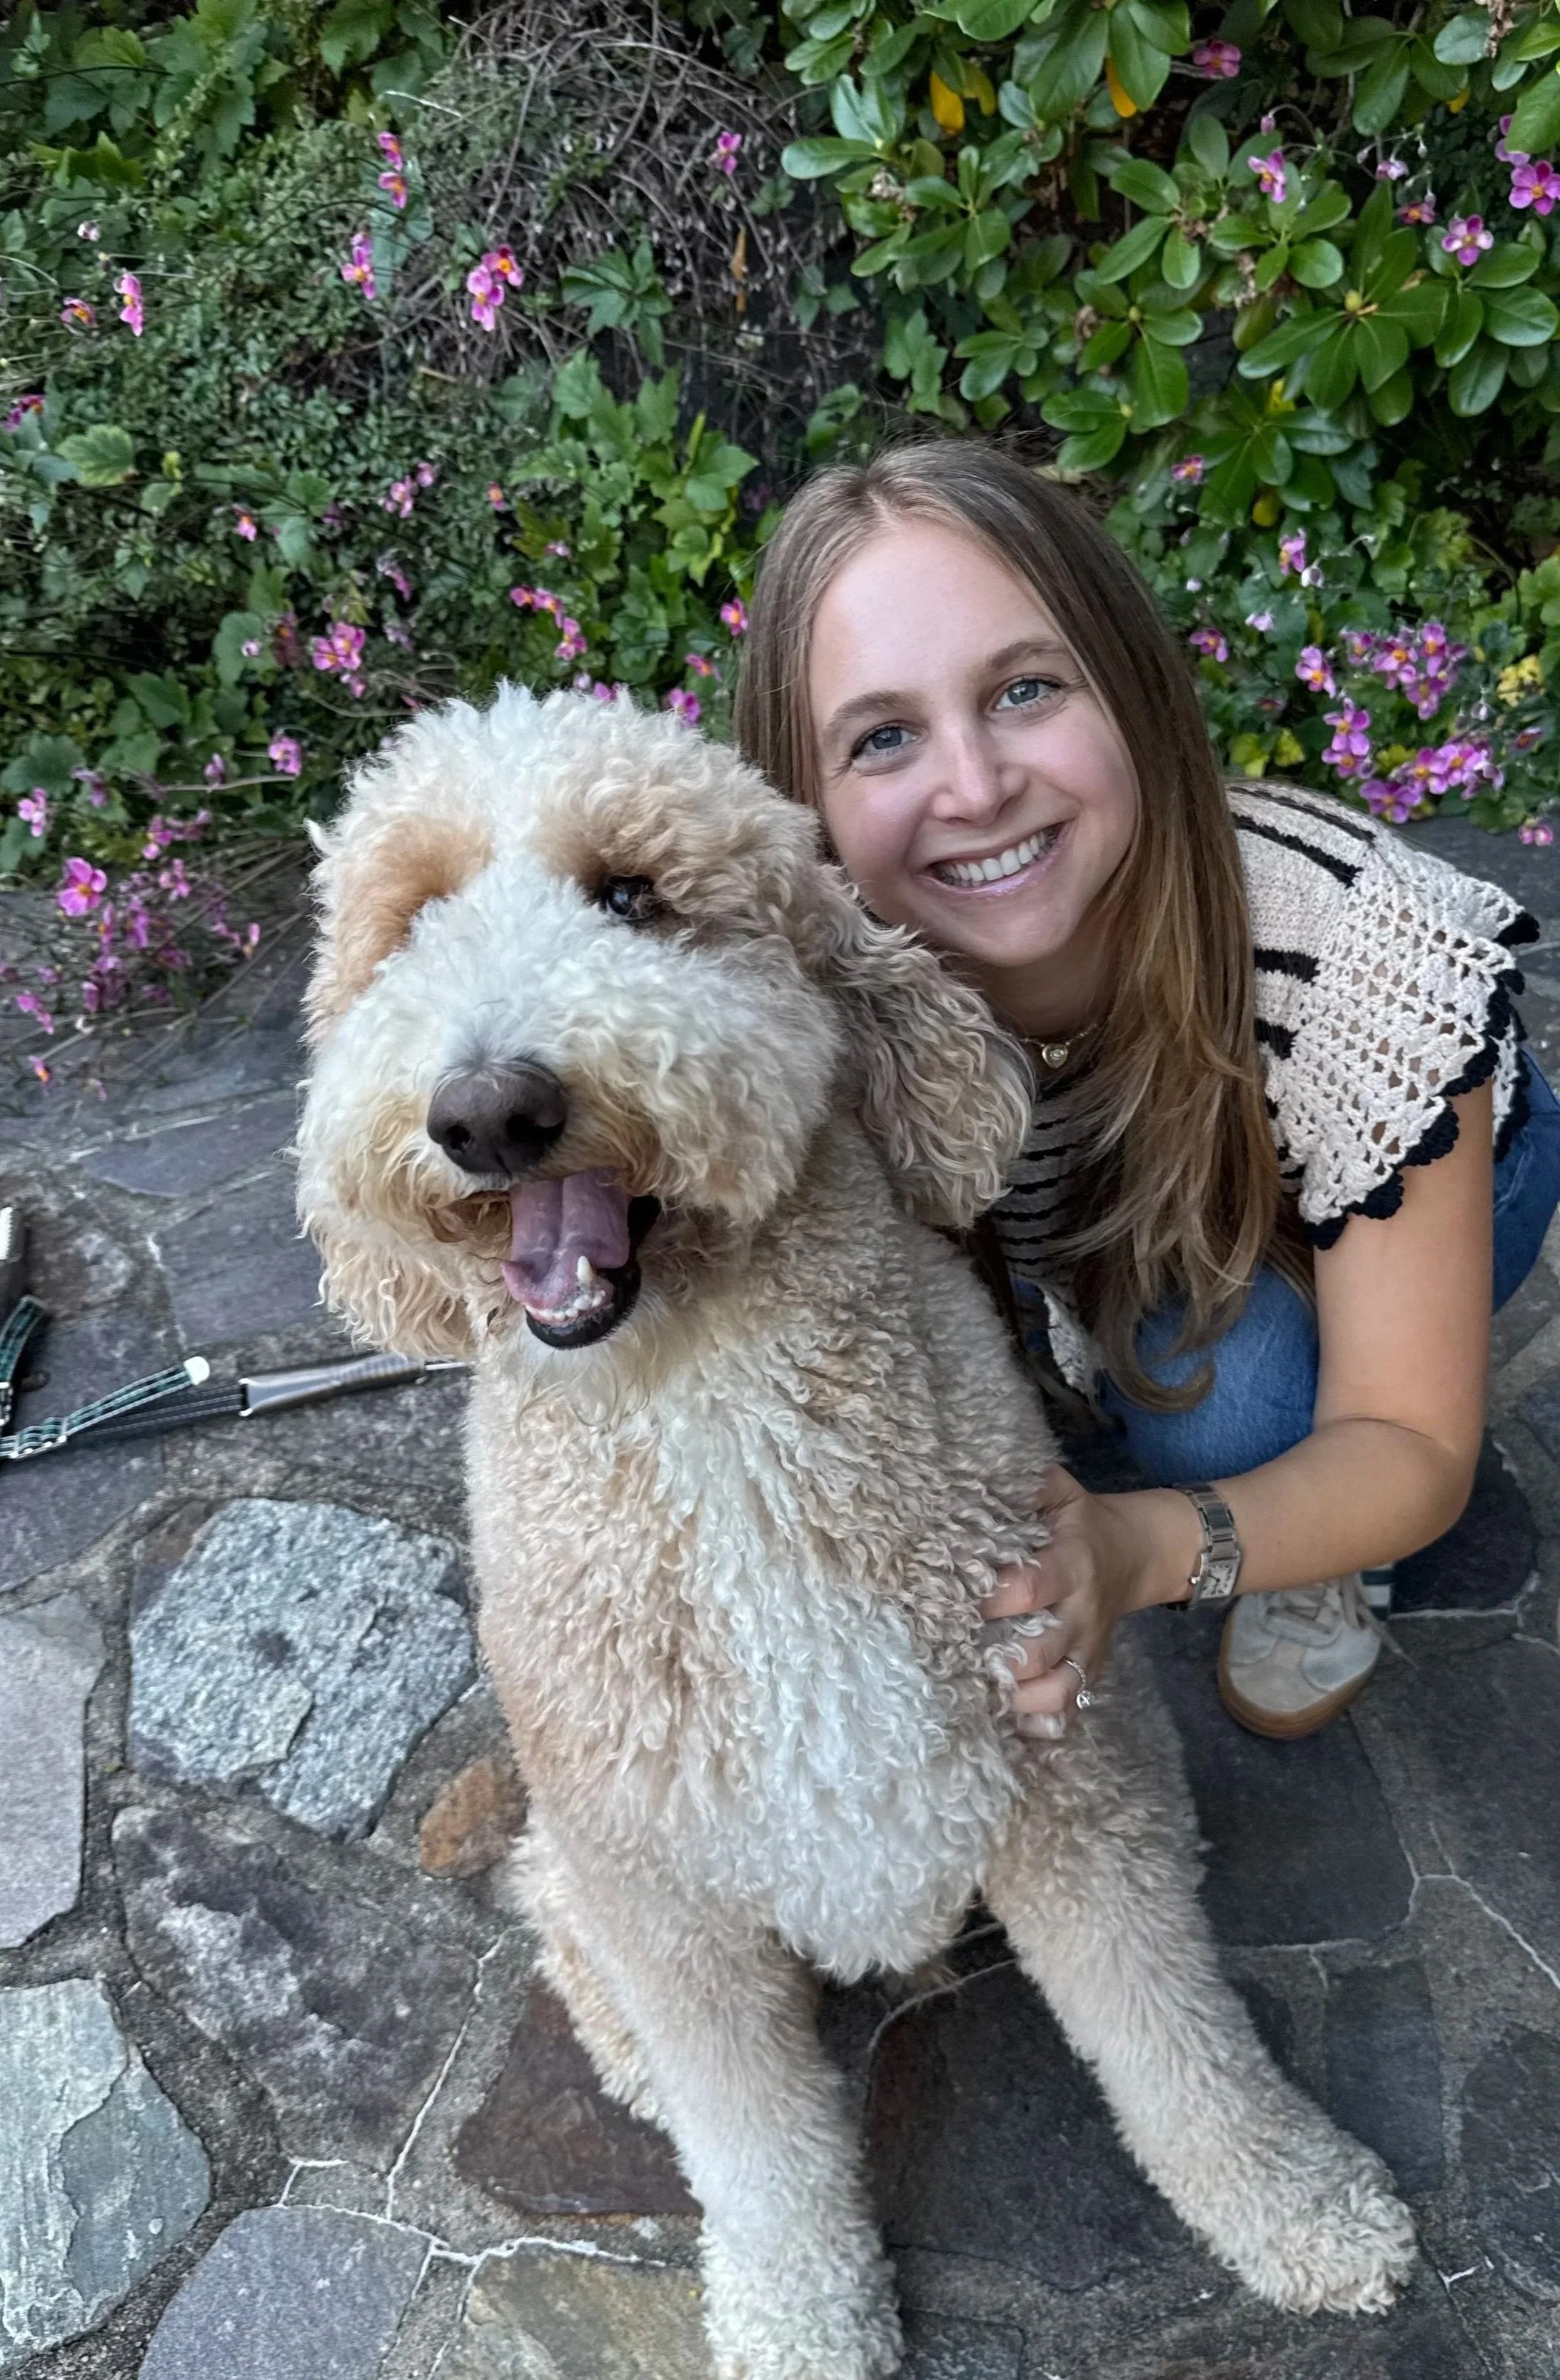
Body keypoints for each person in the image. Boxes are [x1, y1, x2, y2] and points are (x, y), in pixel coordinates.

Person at [733, 440, 1560, 1740]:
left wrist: (1137, 1550)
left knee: (1218, 1404)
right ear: (806, 803)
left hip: (1439, 1164)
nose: (974, 784)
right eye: (883, 735)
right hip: (1134, 1198)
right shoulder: (808, 989)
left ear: (1126, 684)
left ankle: (1315, 1545)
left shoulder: (1363, 953)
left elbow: (1411, 1439)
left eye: (1023, 689)